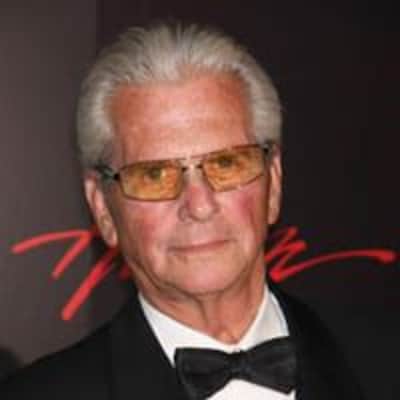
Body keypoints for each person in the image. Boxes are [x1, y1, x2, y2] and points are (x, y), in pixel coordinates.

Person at [1, 22, 363, 399]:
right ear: (103, 208)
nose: (199, 205)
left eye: (226, 164)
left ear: (272, 183)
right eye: (155, 174)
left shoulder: (381, 358)